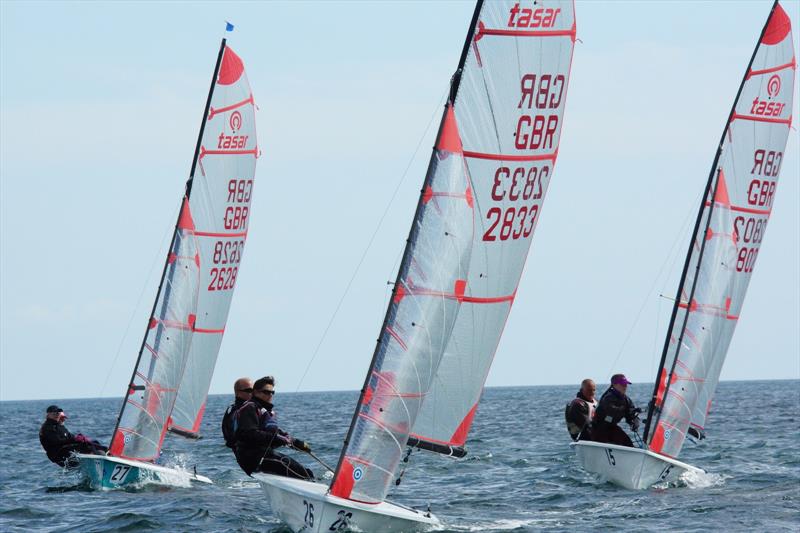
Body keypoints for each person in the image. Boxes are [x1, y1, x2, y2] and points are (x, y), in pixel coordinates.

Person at [234, 376, 314, 480]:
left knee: (306, 472)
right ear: (256, 392)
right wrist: (278, 439)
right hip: (253, 459)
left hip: (266, 455)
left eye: (272, 392)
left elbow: (275, 433)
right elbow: (249, 434)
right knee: (303, 474)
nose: (270, 395)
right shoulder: (250, 408)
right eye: (266, 392)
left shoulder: (266, 411)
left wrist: (295, 442)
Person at [39, 405, 108, 468]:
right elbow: (57, 441)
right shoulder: (48, 427)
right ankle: (103, 463)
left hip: (64, 449)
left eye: (57, 413)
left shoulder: (58, 425)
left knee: (93, 442)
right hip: (59, 454)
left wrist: (79, 438)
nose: (56, 415)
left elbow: (69, 436)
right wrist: (76, 440)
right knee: (86, 445)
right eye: (54, 413)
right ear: (48, 415)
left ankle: (107, 453)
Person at [590, 374, 641, 448]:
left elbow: (630, 414)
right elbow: (613, 411)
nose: (625, 386)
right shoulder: (608, 398)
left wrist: (634, 422)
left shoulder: (626, 399)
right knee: (605, 444)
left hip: (611, 427)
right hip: (599, 429)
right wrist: (625, 410)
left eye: (626, 384)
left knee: (628, 444)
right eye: (622, 384)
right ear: (614, 385)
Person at [222, 377, 253, 449]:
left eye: (254, 390)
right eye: (249, 390)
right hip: (246, 451)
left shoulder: (232, 409)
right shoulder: (239, 410)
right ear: (238, 393)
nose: (252, 393)